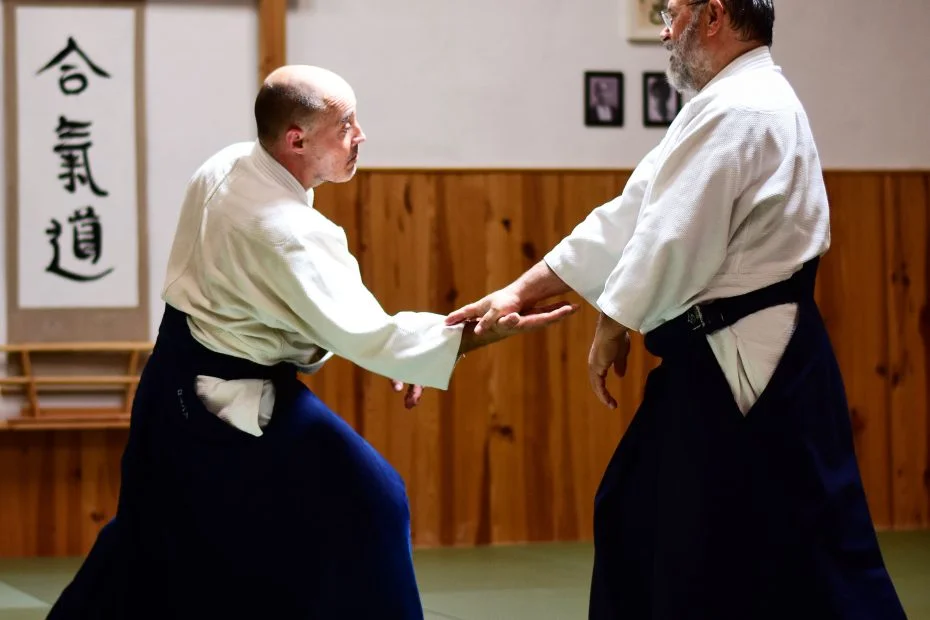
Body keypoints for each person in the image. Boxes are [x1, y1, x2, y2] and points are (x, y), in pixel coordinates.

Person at [48, 65, 575, 619]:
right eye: (346, 124)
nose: (361, 136)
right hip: (220, 400)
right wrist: (472, 337)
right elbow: (367, 332)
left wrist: (397, 350)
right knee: (370, 500)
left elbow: (304, 312)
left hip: (171, 383)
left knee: (156, 533)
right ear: (296, 140)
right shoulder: (284, 229)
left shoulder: (230, 163)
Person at [447, 1, 907, 618]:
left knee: (797, 555)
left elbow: (672, 237)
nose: (664, 28)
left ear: (713, 14)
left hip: (747, 365)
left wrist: (614, 322)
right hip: (727, 360)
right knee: (671, 529)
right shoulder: (724, 104)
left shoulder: (744, 107)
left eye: (672, 11)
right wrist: (517, 293)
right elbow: (630, 216)